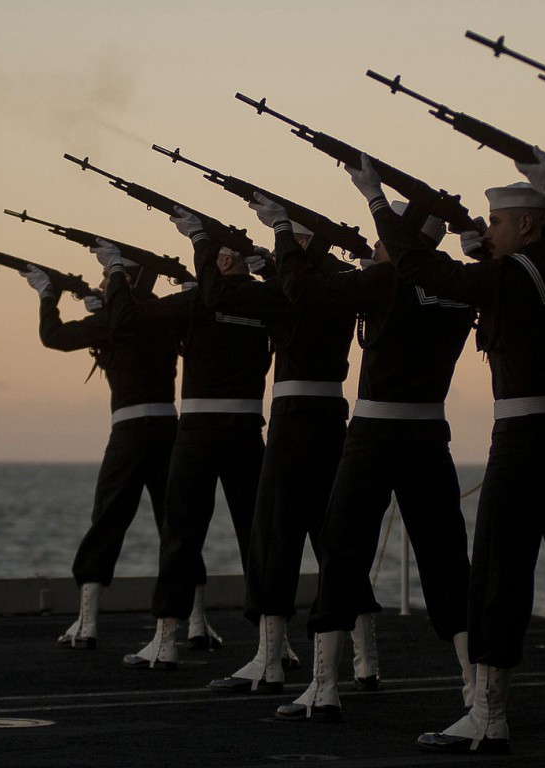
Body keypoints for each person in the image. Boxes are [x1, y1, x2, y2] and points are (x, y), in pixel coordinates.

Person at [388, 149, 545, 759]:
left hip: (525, 444)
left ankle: (488, 716)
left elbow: (424, 272)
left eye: (497, 223)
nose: (490, 232)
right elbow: (528, 285)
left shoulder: (509, 276)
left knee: (498, 579)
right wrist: (484, 243)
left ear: (527, 224)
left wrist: (381, 202)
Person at [250, 165, 476, 722]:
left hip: (374, 435)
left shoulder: (385, 281)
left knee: (343, 553)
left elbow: (302, 289)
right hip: (429, 434)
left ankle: (324, 688)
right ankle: (477, 689)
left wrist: (283, 229)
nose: (373, 248)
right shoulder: (458, 284)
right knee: (448, 562)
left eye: (380, 239)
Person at [101, 214, 284, 669]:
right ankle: (273, 642)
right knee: (256, 539)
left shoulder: (196, 303)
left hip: (199, 432)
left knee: (181, 537)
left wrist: (116, 274)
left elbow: (125, 319)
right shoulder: (270, 300)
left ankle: (167, 638)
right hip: (247, 430)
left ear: (222, 257)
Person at [199, 217, 358, 695]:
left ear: (304, 242)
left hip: (293, 417)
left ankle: (269, 661)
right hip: (333, 415)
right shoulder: (344, 283)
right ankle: (368, 661)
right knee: (336, 537)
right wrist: (269, 260)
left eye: (290, 237)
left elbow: (220, 295)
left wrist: (202, 243)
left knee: (273, 536)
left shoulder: (293, 288)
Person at [18, 256, 196, 650]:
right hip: (169, 428)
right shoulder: (162, 314)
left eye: (108, 276)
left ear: (125, 279)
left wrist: (48, 294)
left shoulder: (114, 321)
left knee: (108, 521)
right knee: (178, 525)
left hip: (130, 432)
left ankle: (87, 623)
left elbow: (54, 337)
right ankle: (197, 623)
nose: (101, 282)